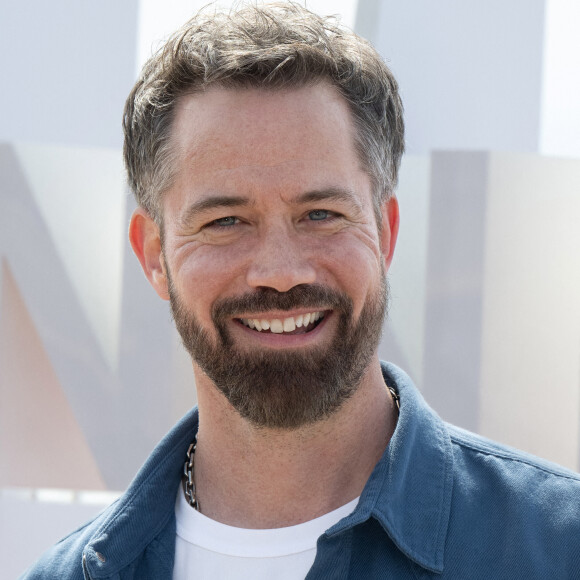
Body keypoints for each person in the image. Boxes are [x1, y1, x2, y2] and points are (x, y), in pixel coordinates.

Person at [21, 3, 580, 579]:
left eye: (321, 213)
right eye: (225, 222)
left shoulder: (557, 549)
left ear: (385, 233)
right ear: (153, 256)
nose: (281, 272)